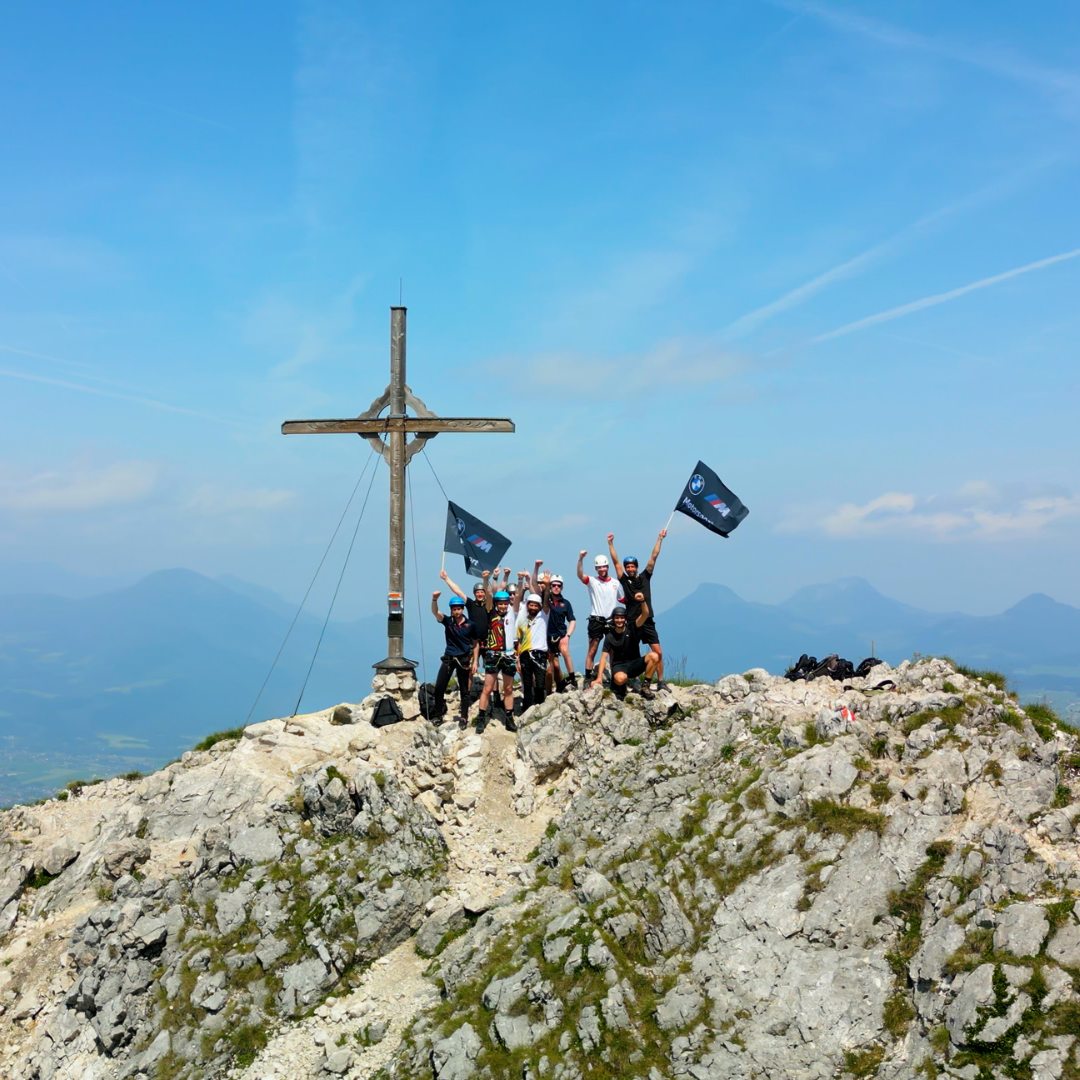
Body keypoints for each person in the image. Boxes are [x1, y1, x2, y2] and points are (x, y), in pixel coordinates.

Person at [608, 530, 667, 688]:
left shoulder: (645, 577)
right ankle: (635, 679)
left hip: (646, 620)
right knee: (631, 653)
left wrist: (659, 539)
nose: (630, 568)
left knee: (658, 652)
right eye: (628, 566)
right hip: (632, 622)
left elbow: (653, 557)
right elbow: (615, 562)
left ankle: (660, 681)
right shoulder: (625, 582)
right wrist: (610, 544)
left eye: (632, 566)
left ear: (636, 567)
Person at [591, 596, 659, 699]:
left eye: (622, 617)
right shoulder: (609, 637)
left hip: (635, 663)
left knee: (654, 656)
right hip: (620, 666)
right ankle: (619, 686)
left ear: (625, 619)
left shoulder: (632, 628)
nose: (619, 620)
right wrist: (599, 677)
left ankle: (645, 686)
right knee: (620, 678)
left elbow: (645, 614)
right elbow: (603, 657)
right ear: (613, 619)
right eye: (617, 618)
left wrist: (642, 601)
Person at [430, 592, 480, 725]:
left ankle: (464, 717)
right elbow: (435, 612)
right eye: (454, 609)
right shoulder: (448, 621)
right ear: (451, 610)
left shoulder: (471, 625)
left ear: (462, 609)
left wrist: (475, 661)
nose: (457, 611)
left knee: (464, 690)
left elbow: (475, 643)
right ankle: (438, 715)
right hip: (448, 658)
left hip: (463, 659)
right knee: (439, 687)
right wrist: (434, 599)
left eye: (459, 609)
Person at [576, 550, 623, 684]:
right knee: (592, 649)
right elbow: (580, 575)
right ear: (596, 568)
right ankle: (588, 677)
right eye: (599, 567)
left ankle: (615, 677)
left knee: (613, 650)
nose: (602, 569)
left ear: (607, 567)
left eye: (604, 566)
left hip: (611, 620)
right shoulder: (592, 581)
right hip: (596, 619)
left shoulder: (615, 583)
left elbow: (623, 599)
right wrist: (580, 559)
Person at [476, 587, 517, 732]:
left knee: (508, 688)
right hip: (493, 654)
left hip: (508, 654)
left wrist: (519, 581)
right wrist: (488, 579)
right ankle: (480, 718)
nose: (503, 606)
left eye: (505, 603)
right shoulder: (491, 612)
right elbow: (488, 595)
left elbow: (517, 599)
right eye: (500, 603)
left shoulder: (512, 613)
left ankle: (509, 719)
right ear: (495, 604)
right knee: (487, 688)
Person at [515, 570, 552, 712]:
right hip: (525, 654)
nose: (533, 607)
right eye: (531, 605)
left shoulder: (543, 616)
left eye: (536, 605)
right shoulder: (522, 621)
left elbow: (546, 600)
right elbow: (519, 641)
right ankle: (527, 710)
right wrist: (518, 659)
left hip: (540, 654)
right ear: (527, 605)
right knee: (527, 683)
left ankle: (541, 709)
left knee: (540, 683)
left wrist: (547, 586)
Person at [545, 574, 577, 691]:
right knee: (550, 669)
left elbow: (572, 620)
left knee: (564, 650)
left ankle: (572, 678)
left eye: (559, 585)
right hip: (547, 637)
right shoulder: (545, 600)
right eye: (554, 585)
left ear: (562, 587)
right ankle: (548, 693)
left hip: (560, 635)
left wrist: (567, 636)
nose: (556, 587)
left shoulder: (566, 603)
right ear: (550, 586)